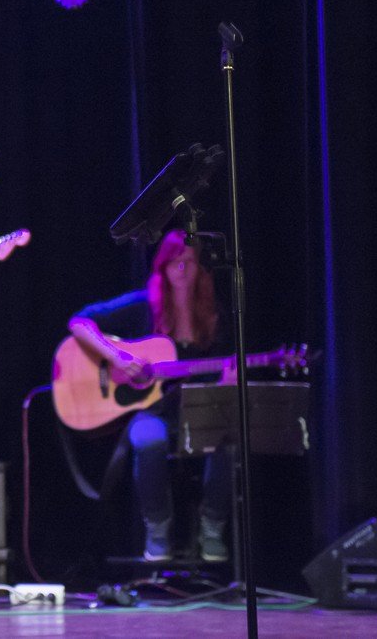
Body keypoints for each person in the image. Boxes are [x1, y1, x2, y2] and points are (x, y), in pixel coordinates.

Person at [66, 229, 233, 563]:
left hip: (199, 411)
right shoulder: (143, 305)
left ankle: (212, 526)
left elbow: (228, 367)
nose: (182, 269)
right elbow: (79, 322)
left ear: (202, 270)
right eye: (175, 262)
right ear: (163, 267)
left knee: (229, 442)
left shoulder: (215, 315)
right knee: (148, 440)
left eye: (190, 262)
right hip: (151, 410)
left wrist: (231, 376)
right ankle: (157, 527)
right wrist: (117, 357)